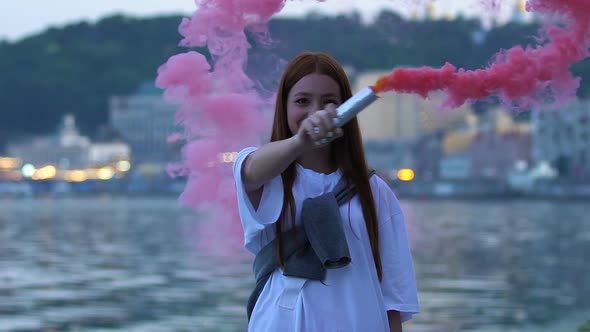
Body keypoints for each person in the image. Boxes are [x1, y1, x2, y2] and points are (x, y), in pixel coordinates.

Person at [233, 51, 419, 332]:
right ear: (284, 107)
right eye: (302, 101)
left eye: (329, 102)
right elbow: (250, 172)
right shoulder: (269, 176)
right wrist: (300, 141)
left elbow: (394, 297)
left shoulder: (374, 192)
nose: (316, 112)